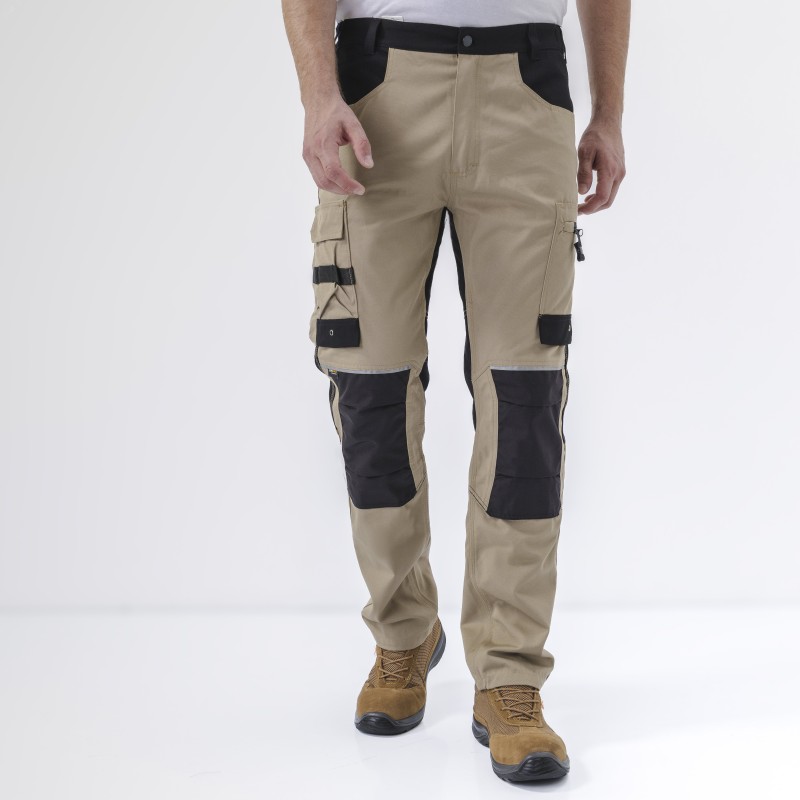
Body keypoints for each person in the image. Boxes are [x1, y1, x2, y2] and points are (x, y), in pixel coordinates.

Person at [282, 0, 628, 783]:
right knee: (369, 388)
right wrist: (318, 96)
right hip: (378, 90)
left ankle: (509, 675)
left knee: (525, 401)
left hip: (525, 91)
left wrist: (609, 114)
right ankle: (403, 634)